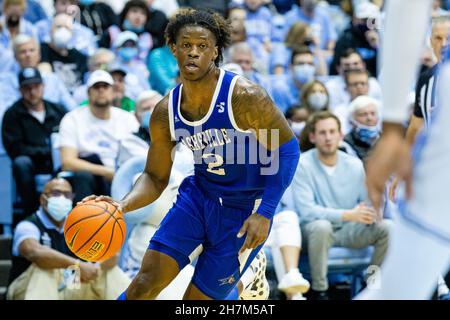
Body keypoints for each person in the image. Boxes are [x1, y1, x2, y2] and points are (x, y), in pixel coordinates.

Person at [82, 9, 300, 300]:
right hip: (198, 198)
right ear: (173, 48)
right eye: (186, 45)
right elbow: (154, 176)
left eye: (202, 46)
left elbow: (287, 150)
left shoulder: (245, 96)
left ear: (215, 51)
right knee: (143, 285)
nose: (193, 53)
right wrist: (121, 206)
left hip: (244, 208)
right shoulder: (164, 112)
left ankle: (247, 275)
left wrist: (265, 212)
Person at [357, 0, 450, 300]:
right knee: (401, 285)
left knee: (400, 285)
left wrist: (393, 123)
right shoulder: (430, 80)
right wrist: (394, 126)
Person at [291, 111, 391, 300]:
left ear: (340, 135)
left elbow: (367, 203)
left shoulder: (354, 164)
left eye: (332, 131)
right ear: (312, 137)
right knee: (322, 226)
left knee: (387, 228)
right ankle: (319, 291)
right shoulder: (302, 164)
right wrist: (348, 215)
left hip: (348, 230)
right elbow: (307, 212)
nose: (328, 138)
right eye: (322, 133)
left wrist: (371, 213)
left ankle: (371, 285)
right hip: (313, 231)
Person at [6, 178, 131, 300]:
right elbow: (35, 252)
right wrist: (77, 265)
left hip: (70, 283)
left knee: (109, 272)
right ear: (43, 199)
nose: (62, 198)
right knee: (44, 268)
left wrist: (97, 266)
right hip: (26, 288)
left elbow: (113, 256)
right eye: (56, 193)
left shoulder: (78, 225)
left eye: (67, 194)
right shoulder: (28, 225)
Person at [59, 70, 139, 203]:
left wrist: (119, 173)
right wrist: (106, 171)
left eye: (105, 86)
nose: (101, 90)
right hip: (91, 175)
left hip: (122, 174)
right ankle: (84, 222)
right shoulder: (72, 119)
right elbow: (68, 162)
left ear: (113, 91)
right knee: (83, 176)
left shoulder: (127, 119)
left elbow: (139, 154)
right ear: (88, 93)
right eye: (96, 87)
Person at [1, 67, 66, 217]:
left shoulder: (58, 110)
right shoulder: (12, 114)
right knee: (21, 163)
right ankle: (31, 214)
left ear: (43, 86)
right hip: (32, 165)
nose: (32, 91)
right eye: (27, 88)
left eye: (36, 86)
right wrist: (43, 151)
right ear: (20, 90)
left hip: (57, 162)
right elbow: (14, 148)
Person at [0, 34, 77, 112]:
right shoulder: (5, 81)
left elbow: (71, 107)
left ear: (39, 55)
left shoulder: (52, 79)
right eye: (23, 51)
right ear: (15, 57)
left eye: (32, 50)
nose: (28, 55)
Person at [40, 13, 88, 94]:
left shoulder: (80, 57)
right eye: (58, 27)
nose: (62, 30)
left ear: (72, 33)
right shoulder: (42, 50)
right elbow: (45, 75)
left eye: (66, 28)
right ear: (51, 30)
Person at [331, 1, 380, 76]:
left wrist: (377, 46)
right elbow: (336, 67)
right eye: (364, 20)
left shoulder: (379, 38)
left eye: (371, 21)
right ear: (354, 19)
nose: (367, 24)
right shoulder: (346, 39)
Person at [342, 95, 380, 162]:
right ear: (352, 120)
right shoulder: (346, 143)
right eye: (363, 114)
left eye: (373, 113)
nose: (369, 118)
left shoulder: (385, 138)